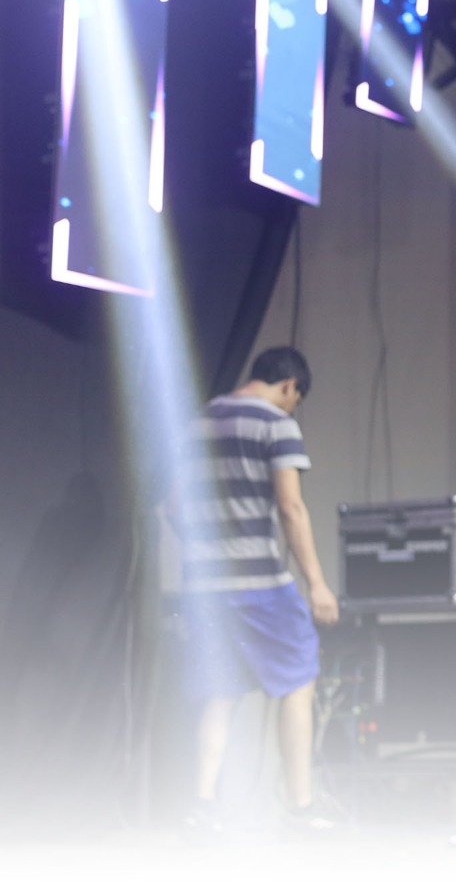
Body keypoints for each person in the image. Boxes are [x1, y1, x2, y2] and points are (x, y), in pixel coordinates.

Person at [165, 346, 339, 836]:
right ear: (289, 387)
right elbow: (291, 508)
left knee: (218, 693)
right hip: (260, 583)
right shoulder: (276, 424)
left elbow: (174, 505)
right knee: (299, 679)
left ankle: (201, 809)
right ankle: (301, 808)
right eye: (295, 401)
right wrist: (317, 584)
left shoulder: (199, 422)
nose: (292, 409)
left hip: (204, 586)